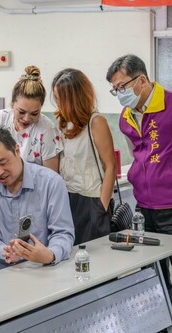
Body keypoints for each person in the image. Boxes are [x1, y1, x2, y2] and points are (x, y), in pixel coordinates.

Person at [106, 54, 172, 333]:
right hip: (145, 208)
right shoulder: (126, 117)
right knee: (152, 276)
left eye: (122, 86)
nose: (119, 94)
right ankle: (162, 328)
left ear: (141, 80)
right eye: (114, 89)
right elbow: (138, 155)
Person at [0, 127, 75, 274]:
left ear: (17, 150)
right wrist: (6, 251)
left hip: (43, 268)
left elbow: (63, 233)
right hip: (2, 271)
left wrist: (50, 254)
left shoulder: (51, 183)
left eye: (3, 162)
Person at [51, 68, 116, 245]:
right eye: (56, 98)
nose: (57, 104)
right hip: (68, 198)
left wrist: (101, 207)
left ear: (74, 98)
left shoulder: (96, 122)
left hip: (92, 199)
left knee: (96, 261)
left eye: (61, 99)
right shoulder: (62, 122)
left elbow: (110, 166)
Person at [0, 65, 63, 172]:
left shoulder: (47, 130)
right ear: (12, 103)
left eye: (34, 113)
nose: (27, 118)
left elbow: (51, 177)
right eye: (21, 112)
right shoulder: (0, 119)